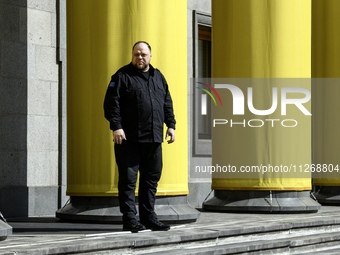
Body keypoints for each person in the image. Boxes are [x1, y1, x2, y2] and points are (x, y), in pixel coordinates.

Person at [104, 41, 176, 232]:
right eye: (136, 54)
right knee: (128, 181)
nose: (140, 57)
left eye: (143, 54)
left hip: (153, 139)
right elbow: (112, 104)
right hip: (129, 140)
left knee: (150, 180)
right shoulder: (122, 76)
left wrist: (171, 125)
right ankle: (129, 219)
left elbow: (167, 102)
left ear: (150, 56)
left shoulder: (158, 77)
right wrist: (117, 127)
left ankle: (149, 217)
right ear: (132, 56)